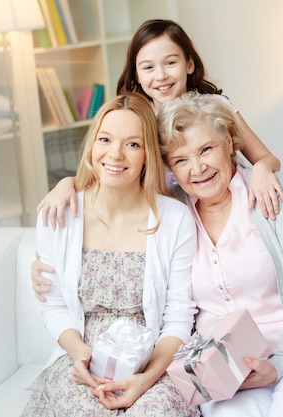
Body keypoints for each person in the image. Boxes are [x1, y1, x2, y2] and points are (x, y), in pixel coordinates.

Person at [35, 91, 283, 416]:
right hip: (228, 365)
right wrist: (67, 184)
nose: (197, 168)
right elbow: (114, 180)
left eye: (206, 149)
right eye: (181, 160)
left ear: (229, 142)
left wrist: (280, 361)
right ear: (169, 168)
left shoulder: (270, 191)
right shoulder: (175, 214)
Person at [21, 93, 201, 417]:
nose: (115, 154)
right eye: (105, 139)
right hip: (80, 364)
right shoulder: (59, 213)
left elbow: (178, 318)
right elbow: (54, 306)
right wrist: (80, 355)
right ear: (92, 145)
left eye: (133, 144)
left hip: (152, 365)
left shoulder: (175, 219)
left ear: (148, 155)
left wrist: (145, 379)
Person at [39, 19, 283, 225]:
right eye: (148, 67)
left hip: (225, 209)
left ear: (189, 64)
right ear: (136, 73)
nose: (161, 76)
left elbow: (267, 158)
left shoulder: (215, 107)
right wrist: (66, 183)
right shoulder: (137, 118)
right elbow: (109, 171)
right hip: (169, 221)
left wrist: (261, 170)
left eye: (170, 63)